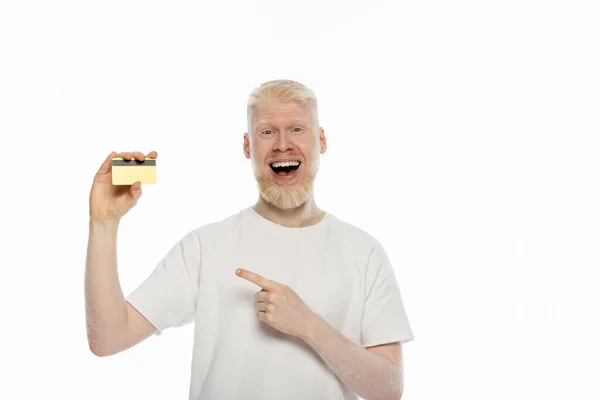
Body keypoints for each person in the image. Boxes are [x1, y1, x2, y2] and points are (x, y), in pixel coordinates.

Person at [85, 79, 415, 400]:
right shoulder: (206, 246)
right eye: (267, 131)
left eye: (297, 129)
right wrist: (104, 224)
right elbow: (109, 338)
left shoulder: (364, 252)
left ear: (322, 140)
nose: (283, 143)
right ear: (247, 146)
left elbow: (388, 389)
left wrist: (309, 325)